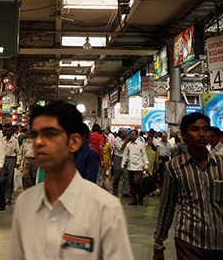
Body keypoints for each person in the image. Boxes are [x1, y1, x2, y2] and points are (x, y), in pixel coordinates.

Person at [10, 100, 134, 259]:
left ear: (74, 142)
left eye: (49, 133)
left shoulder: (105, 209)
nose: (39, 142)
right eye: (35, 135)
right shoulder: (25, 204)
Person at [154, 112, 223, 260]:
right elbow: (167, 207)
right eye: (195, 129)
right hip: (188, 240)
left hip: (219, 241)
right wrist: (158, 243)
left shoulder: (222, 164)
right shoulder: (174, 167)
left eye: (205, 129)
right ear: (185, 135)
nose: (202, 134)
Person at [121, 129, 148, 205]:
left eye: (133, 134)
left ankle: (140, 196)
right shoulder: (128, 145)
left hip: (139, 167)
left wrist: (146, 164)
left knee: (137, 183)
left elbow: (144, 154)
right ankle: (133, 199)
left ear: (137, 135)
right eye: (131, 134)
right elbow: (125, 155)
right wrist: (123, 165)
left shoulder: (141, 144)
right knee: (131, 184)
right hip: (130, 167)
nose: (131, 136)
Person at [0, 123, 20, 205]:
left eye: (9, 131)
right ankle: (2, 196)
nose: (7, 132)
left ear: (12, 132)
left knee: (9, 180)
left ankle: (7, 198)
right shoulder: (1, 140)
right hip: (2, 160)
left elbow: (18, 153)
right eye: (6, 130)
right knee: (1, 179)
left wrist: (18, 162)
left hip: (11, 160)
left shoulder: (15, 141)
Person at [112, 128, 130, 197]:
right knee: (117, 175)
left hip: (125, 158)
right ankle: (115, 190)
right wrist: (126, 141)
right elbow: (121, 148)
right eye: (124, 133)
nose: (126, 134)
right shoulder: (116, 140)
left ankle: (126, 191)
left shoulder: (127, 141)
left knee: (126, 175)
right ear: (120, 134)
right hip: (118, 158)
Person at [19, 125, 37, 190]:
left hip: (35, 160)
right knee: (24, 176)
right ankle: (27, 191)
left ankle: (34, 191)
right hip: (27, 160)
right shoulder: (25, 141)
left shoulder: (37, 141)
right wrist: (21, 164)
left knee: (34, 177)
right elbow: (22, 152)